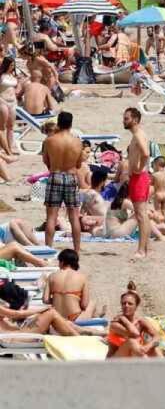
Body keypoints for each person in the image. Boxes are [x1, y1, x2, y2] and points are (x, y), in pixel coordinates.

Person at [42, 112, 83, 253]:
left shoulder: (50, 141)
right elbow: (78, 165)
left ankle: (48, 249)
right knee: (74, 216)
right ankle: (77, 250)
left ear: (58, 123)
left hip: (55, 175)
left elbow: (46, 161)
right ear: (71, 125)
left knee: (51, 216)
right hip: (71, 177)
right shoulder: (77, 142)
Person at [123, 108, 151, 259]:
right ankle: (144, 248)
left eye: (126, 118)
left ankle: (141, 250)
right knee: (142, 214)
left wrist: (139, 168)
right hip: (138, 177)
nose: (124, 121)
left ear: (135, 119)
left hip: (139, 178)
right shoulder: (137, 134)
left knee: (141, 215)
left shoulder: (138, 134)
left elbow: (146, 153)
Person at [107, 282, 163, 358]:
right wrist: (123, 318)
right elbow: (134, 333)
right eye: (124, 303)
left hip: (132, 357)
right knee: (131, 342)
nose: (126, 306)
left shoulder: (141, 321)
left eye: (130, 304)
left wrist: (148, 346)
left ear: (136, 306)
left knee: (155, 348)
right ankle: (149, 366)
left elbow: (157, 336)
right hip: (114, 361)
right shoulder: (116, 323)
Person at [41, 250, 97, 322]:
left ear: (62, 262)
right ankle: (95, 317)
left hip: (56, 318)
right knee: (92, 303)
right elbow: (84, 305)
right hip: (74, 318)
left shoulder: (51, 276)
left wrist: (57, 298)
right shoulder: (82, 277)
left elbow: (45, 300)